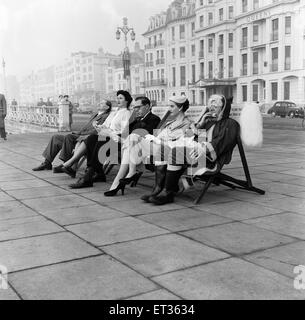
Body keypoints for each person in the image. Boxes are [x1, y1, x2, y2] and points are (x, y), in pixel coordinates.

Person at [148, 94, 239, 206]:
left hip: (209, 159)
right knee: (163, 150)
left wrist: (202, 148)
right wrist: (201, 124)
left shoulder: (230, 123)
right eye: (210, 106)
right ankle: (159, 188)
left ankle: (168, 193)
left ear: (223, 109)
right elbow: (190, 136)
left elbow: (221, 144)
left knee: (177, 152)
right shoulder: (208, 121)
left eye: (215, 107)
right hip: (195, 152)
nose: (211, 109)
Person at [114, 96, 192, 199]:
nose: (169, 109)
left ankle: (136, 173)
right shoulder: (170, 122)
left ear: (180, 108)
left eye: (172, 106)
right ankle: (139, 176)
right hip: (160, 147)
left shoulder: (186, 123)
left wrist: (157, 139)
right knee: (132, 137)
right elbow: (159, 135)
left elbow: (177, 141)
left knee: (135, 140)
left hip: (170, 150)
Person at [68, 90, 133, 189]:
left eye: (121, 98)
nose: (118, 100)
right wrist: (98, 126)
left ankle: (88, 177)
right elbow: (106, 126)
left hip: (117, 141)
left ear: (127, 101)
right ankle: (99, 174)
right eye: (117, 98)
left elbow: (124, 133)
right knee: (91, 139)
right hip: (108, 137)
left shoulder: (126, 113)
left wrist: (109, 133)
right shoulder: (116, 112)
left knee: (100, 141)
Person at [32, 100, 112, 173]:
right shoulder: (95, 114)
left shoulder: (106, 116)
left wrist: (81, 135)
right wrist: (78, 133)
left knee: (69, 136)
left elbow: (97, 131)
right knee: (55, 137)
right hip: (79, 136)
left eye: (101, 103)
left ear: (107, 107)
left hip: (86, 138)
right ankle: (47, 163)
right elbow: (86, 127)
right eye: (99, 102)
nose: (98, 103)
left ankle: (66, 165)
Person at [104, 96, 161, 196]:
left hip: (144, 148)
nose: (136, 110)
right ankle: (120, 182)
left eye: (138, 107)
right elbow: (126, 133)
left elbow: (146, 135)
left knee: (131, 142)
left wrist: (124, 139)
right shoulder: (136, 120)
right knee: (128, 145)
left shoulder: (154, 119)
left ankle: (117, 183)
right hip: (132, 147)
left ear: (147, 106)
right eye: (134, 107)